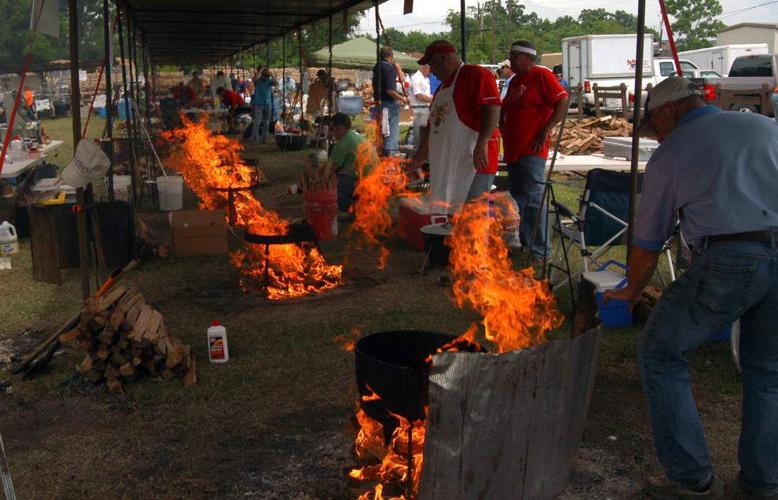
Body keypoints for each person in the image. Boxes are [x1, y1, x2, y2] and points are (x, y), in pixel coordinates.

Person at [604, 76, 778, 500]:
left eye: (654, 125)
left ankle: (691, 479)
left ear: (669, 110)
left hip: (732, 258)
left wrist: (629, 291)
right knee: (767, 372)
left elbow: (647, 240)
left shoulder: (674, 151)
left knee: (659, 352)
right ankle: (763, 482)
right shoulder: (765, 127)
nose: (656, 134)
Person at [412, 40, 501, 214]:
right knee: (450, 212)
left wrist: (481, 144)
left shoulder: (475, 75)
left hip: (474, 159)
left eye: (432, 64)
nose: (431, 70)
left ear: (444, 59)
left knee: (472, 214)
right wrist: (419, 157)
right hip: (449, 162)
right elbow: (432, 127)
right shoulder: (441, 89)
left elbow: (493, 108)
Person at [500, 40, 569, 262]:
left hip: (532, 148)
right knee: (520, 198)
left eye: (514, 56)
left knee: (533, 199)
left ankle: (541, 250)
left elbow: (562, 100)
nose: (510, 60)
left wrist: (546, 130)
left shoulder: (542, 75)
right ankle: (527, 243)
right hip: (514, 149)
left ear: (527, 57)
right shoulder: (515, 80)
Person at [330, 113, 371, 213]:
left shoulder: (343, 142)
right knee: (342, 174)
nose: (331, 133)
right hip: (374, 179)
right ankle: (355, 207)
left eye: (332, 129)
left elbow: (329, 169)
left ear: (340, 128)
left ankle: (346, 210)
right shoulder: (354, 135)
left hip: (366, 182)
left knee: (333, 182)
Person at [372, 46, 408, 156]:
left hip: (379, 103)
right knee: (392, 131)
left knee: (384, 131)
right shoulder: (389, 68)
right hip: (389, 104)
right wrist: (403, 99)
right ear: (391, 55)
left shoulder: (377, 67)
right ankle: (390, 156)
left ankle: (383, 154)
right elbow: (390, 91)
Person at [409, 64, 433, 152]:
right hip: (419, 109)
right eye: (431, 68)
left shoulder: (426, 79)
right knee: (419, 136)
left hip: (425, 108)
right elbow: (419, 96)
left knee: (426, 135)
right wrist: (434, 99)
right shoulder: (416, 78)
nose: (432, 71)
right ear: (425, 67)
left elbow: (426, 94)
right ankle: (416, 156)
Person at [250, 68, 274, 143]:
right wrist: (261, 70)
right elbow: (254, 78)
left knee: (266, 122)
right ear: (262, 75)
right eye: (265, 76)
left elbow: (276, 82)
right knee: (257, 121)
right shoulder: (258, 81)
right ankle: (255, 137)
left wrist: (271, 74)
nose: (266, 78)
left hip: (268, 104)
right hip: (259, 104)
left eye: (267, 76)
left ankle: (264, 138)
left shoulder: (269, 81)